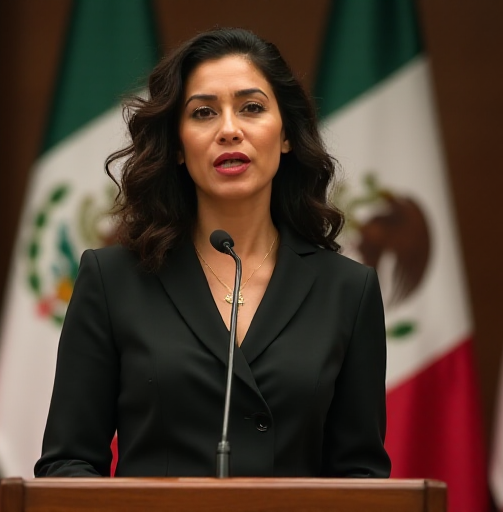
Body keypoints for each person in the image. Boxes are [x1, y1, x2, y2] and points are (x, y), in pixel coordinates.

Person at [35, 27, 390, 478]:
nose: (228, 129)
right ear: (179, 146)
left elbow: (361, 478)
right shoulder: (113, 280)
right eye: (203, 112)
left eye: (252, 108)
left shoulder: (348, 291)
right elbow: (67, 464)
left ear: (286, 136)